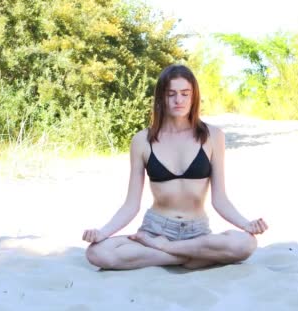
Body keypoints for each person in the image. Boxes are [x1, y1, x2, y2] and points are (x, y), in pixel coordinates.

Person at [82, 64, 268, 270]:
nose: (178, 100)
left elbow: (220, 200)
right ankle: (190, 256)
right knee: (97, 252)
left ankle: (165, 250)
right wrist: (103, 232)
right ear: (161, 97)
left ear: (193, 97)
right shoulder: (142, 140)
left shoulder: (213, 136)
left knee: (247, 243)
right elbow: (131, 204)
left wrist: (245, 224)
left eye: (185, 94)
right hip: (155, 230)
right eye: (171, 94)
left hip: (197, 232)